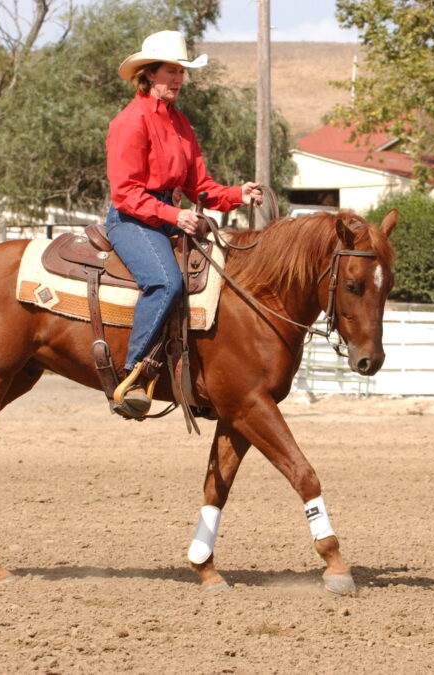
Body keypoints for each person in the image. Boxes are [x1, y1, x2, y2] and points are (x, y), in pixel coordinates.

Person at [107, 30, 262, 419]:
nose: (178, 78)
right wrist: (175, 215)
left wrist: (238, 194)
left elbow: (201, 188)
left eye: (181, 71)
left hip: (169, 219)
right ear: (148, 75)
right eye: (170, 70)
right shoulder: (130, 122)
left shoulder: (181, 124)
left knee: (217, 282)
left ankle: (202, 381)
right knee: (165, 282)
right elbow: (125, 193)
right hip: (132, 220)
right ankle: (134, 377)